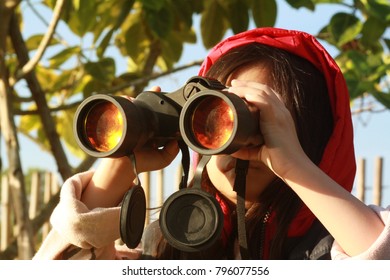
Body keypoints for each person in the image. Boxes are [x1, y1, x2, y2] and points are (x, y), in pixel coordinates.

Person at [33, 27, 390, 260]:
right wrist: (116, 169)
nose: (232, 144)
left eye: (252, 120)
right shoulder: (159, 247)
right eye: (212, 119)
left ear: (311, 140)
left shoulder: (336, 245)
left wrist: (294, 167)